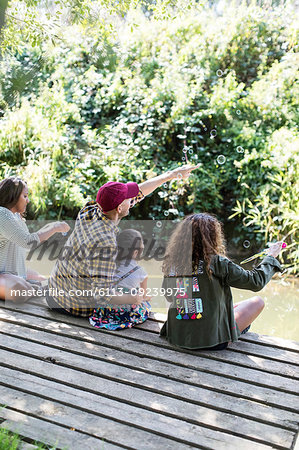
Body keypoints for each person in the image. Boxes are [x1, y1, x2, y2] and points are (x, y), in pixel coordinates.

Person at [47, 164, 199, 317]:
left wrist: (170, 175)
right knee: (142, 307)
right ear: (119, 208)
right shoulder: (105, 243)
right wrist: (134, 298)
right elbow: (102, 296)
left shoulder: (90, 210)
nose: (133, 199)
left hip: (55, 289)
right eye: (128, 198)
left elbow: (138, 192)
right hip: (70, 304)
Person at [160, 213, 283, 350]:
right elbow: (255, 281)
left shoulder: (172, 261)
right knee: (257, 302)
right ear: (213, 237)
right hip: (212, 340)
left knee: (229, 306)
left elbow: (169, 295)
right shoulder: (217, 262)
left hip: (177, 336)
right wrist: (271, 257)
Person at [0, 176, 70, 302]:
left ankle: (33, 287)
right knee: (18, 290)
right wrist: (54, 227)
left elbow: (25, 244)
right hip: (2, 274)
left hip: (12, 272)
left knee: (47, 280)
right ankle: (35, 289)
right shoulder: (2, 213)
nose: (28, 201)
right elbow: (28, 242)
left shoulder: (15, 216)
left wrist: (53, 226)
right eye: (25, 196)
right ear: (13, 196)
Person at [89, 228, 151, 330]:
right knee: (145, 305)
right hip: (123, 315)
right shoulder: (141, 271)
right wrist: (147, 298)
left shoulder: (109, 264)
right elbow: (143, 296)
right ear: (135, 252)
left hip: (105, 312)